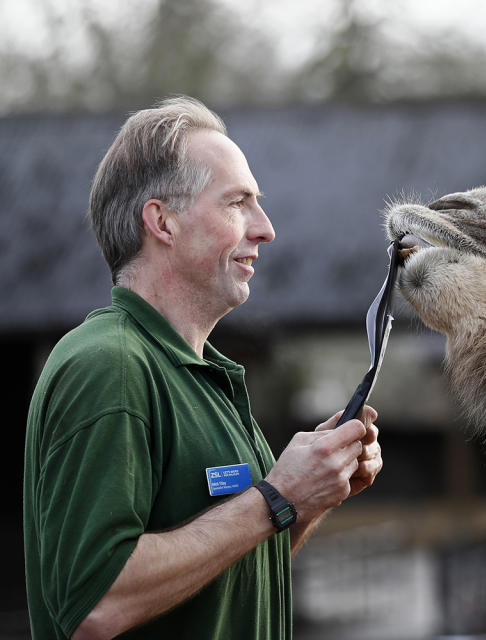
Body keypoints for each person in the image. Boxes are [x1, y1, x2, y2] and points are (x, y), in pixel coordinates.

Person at [23, 96, 383, 639]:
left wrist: (310, 493)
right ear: (162, 222)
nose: (265, 229)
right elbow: (95, 605)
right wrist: (278, 494)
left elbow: (228, 561)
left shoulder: (202, 374)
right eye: (237, 203)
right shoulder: (109, 366)